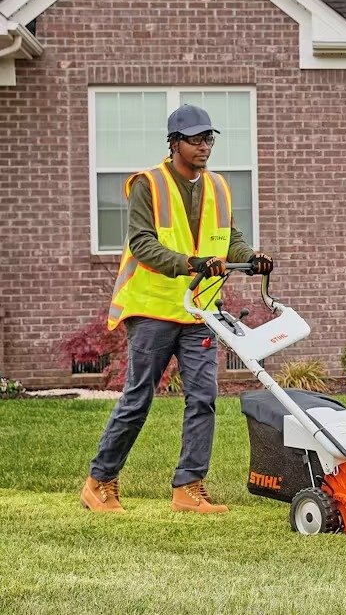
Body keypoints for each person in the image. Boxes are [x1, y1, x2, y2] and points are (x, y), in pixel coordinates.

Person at [81, 104, 272, 514]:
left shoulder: (218, 186)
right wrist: (192, 264)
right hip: (152, 308)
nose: (205, 146)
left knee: (203, 397)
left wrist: (251, 256)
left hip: (198, 309)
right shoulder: (148, 184)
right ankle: (100, 482)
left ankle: (189, 487)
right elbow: (142, 244)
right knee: (138, 398)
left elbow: (228, 237)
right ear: (174, 144)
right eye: (196, 139)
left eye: (209, 139)